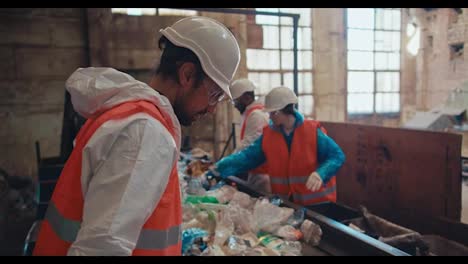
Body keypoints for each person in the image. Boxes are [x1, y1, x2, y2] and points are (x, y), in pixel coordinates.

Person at [33, 16, 241, 256]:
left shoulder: (127, 113)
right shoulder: (145, 133)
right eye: (214, 94)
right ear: (187, 74)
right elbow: (101, 248)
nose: (212, 109)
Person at [211, 86, 345, 206]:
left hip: (317, 204)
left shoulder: (312, 131)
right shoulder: (270, 134)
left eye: (272, 113)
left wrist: (321, 173)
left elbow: (336, 156)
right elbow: (248, 157)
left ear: (284, 111)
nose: (269, 117)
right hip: (287, 204)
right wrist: (220, 166)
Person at [229, 79, 270, 193]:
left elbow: (248, 144)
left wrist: (225, 163)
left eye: (236, 102)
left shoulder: (256, 116)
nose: (235, 106)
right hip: (256, 171)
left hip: (262, 174)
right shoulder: (251, 113)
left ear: (246, 98)